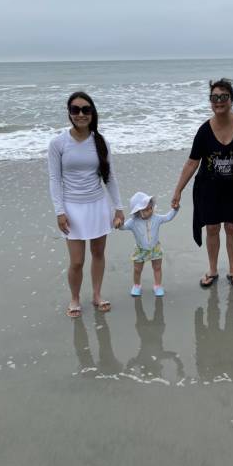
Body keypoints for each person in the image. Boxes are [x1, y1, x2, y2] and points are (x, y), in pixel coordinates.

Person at [171, 79, 233, 288]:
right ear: (210, 101)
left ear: (231, 99)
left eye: (223, 97)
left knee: (232, 228)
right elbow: (192, 162)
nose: (219, 101)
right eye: (214, 98)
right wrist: (178, 191)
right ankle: (212, 270)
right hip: (209, 188)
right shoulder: (204, 131)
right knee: (211, 228)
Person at [48, 92, 124, 318]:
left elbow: (109, 177)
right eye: (75, 110)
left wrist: (119, 207)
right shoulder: (58, 143)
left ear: (92, 113)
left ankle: (97, 295)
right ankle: (74, 298)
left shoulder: (100, 142)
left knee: (98, 253)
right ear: (69, 113)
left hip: (97, 205)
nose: (81, 114)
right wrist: (59, 211)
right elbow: (54, 180)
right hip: (72, 208)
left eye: (85, 110)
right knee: (77, 261)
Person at [117, 192, 178, 297]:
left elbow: (168, 217)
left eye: (151, 208)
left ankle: (157, 286)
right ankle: (137, 285)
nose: (150, 210)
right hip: (140, 250)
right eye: (146, 209)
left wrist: (175, 210)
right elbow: (123, 227)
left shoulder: (156, 218)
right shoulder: (133, 222)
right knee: (137, 270)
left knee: (157, 268)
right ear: (138, 211)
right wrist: (118, 223)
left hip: (155, 249)